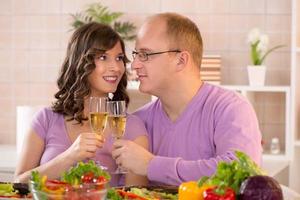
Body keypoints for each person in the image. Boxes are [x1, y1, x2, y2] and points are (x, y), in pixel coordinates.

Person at [111, 13, 262, 186]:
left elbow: (241, 174)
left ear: (181, 60)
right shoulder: (139, 122)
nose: (135, 65)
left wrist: (151, 165)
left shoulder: (231, 108)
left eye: (145, 54)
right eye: (136, 54)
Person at [14, 22, 148, 186]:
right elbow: (19, 183)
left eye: (119, 58)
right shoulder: (45, 119)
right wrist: (69, 156)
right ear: (81, 62)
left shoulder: (133, 127)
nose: (116, 67)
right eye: (102, 57)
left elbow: (136, 194)